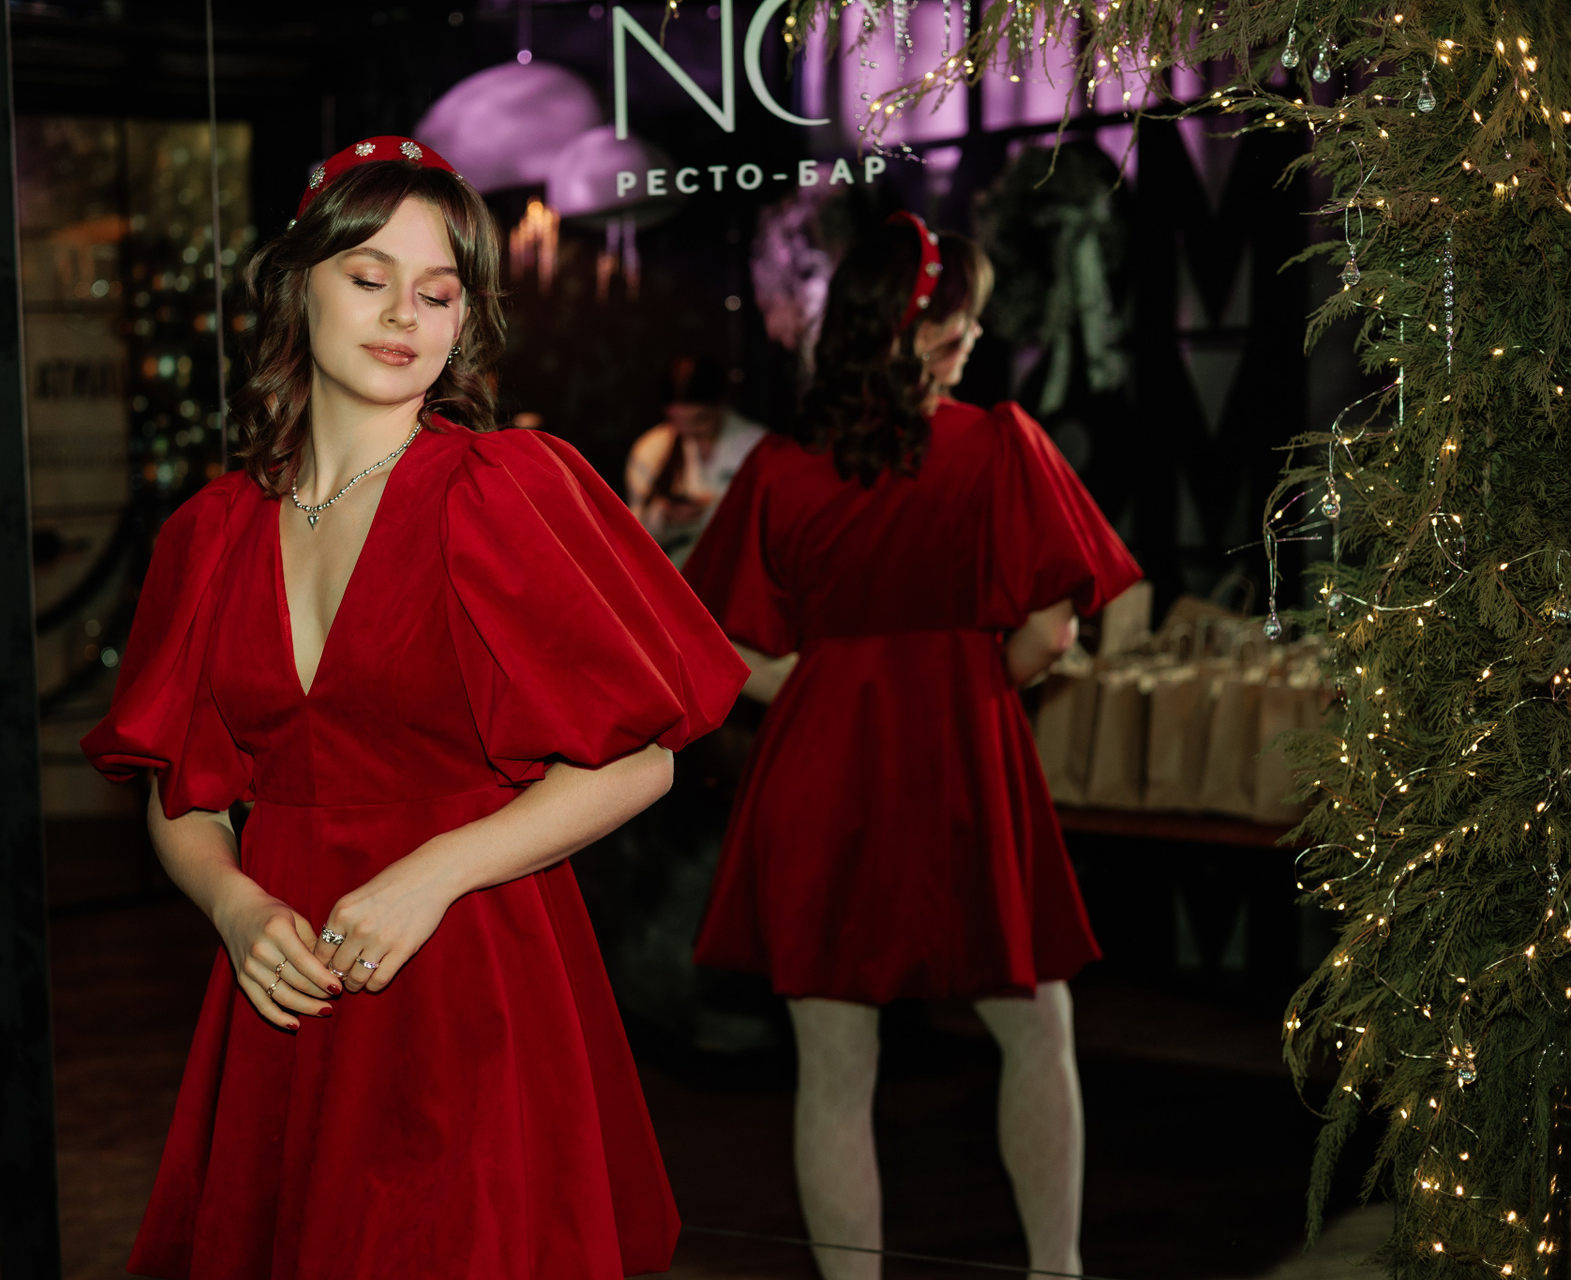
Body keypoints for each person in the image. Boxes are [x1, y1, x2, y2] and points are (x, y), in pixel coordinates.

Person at [81, 136, 746, 1280]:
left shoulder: (502, 488)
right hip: (285, 985)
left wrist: (431, 875)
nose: (403, 314)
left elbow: (641, 758)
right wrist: (235, 905)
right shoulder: (212, 531)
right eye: (368, 276)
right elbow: (184, 790)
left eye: (437, 292)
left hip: (469, 965)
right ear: (298, 285)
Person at [681, 213, 1141, 1280]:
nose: (974, 336)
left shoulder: (781, 468)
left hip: (820, 767)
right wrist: (964, 686)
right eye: (961, 317)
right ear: (915, 324)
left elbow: (712, 643)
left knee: (835, 1071)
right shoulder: (1001, 444)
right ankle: (1057, 1268)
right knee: (1036, 1029)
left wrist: (823, 689)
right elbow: (1051, 632)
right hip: (963, 760)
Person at [624, 356, 767, 565]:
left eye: (700, 420)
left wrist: (712, 512)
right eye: (678, 420)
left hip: (740, 563)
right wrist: (664, 517)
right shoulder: (652, 448)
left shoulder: (756, 445)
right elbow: (632, 528)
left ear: (719, 405)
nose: (689, 430)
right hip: (678, 566)